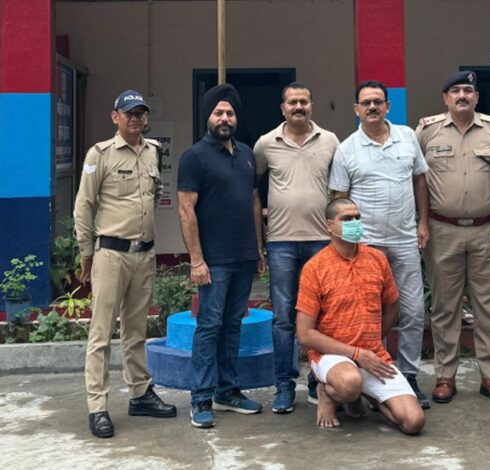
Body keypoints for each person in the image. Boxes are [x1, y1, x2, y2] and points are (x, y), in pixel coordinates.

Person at [74, 89, 176, 438]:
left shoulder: (153, 151)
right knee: (101, 333)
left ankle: (140, 393)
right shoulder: (99, 154)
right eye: (128, 113)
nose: (135, 118)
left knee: (136, 330)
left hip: (143, 254)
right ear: (115, 117)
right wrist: (86, 253)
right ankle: (97, 406)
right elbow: (84, 205)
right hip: (111, 254)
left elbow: (153, 195)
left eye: (140, 113)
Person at [329, 80, 431, 409]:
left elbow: (420, 179)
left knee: (413, 311)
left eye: (378, 101)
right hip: (366, 244)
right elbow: (340, 199)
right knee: (370, 316)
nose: (372, 107)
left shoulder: (407, 137)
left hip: (404, 240)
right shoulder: (346, 149)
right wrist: (346, 241)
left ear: (388, 106)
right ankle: (375, 377)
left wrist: (423, 222)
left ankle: (409, 376)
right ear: (356, 109)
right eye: (366, 103)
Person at [415, 70, 490, 405]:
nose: (462, 96)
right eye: (455, 91)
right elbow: (417, 179)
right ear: (445, 98)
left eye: (468, 91)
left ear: (476, 97)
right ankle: (445, 375)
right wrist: (422, 222)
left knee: (489, 305)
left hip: (488, 228)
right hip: (443, 230)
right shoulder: (427, 130)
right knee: (445, 306)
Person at [296, 197, 425, 434]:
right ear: (330, 226)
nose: (355, 223)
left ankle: (366, 395)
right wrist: (356, 353)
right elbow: (304, 334)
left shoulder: (377, 259)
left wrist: (373, 341)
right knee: (349, 382)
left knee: (413, 422)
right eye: (347, 219)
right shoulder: (315, 268)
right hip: (330, 356)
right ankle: (328, 392)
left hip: (372, 354)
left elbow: (392, 305)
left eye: (357, 217)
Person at [177, 84, 265, 429]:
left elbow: (254, 202)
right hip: (213, 260)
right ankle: (201, 397)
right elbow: (186, 209)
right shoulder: (194, 157)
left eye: (229, 113)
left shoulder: (245, 153)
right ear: (208, 117)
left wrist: (258, 248)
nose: (224, 118)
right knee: (209, 327)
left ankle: (227, 391)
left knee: (232, 325)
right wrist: (197, 260)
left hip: (244, 256)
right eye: (218, 113)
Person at [253, 82, 339, 414]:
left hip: (321, 242)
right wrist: (259, 237)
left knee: (322, 315)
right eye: (292, 102)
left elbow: (341, 188)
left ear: (311, 105)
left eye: (304, 101)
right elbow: (252, 187)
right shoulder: (266, 143)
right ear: (283, 108)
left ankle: (320, 381)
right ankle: (284, 386)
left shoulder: (329, 141)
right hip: (281, 243)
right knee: (283, 318)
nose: (298, 106)